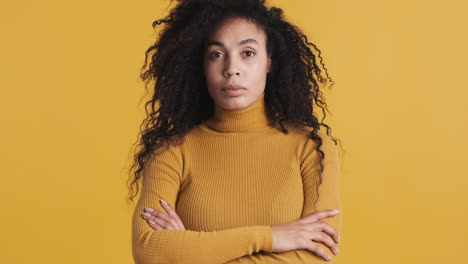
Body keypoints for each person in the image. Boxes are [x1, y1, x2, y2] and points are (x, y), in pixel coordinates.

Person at [127, 0, 343, 263]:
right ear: (201, 66)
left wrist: (192, 252)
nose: (231, 69)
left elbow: (315, 257)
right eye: (216, 54)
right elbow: (149, 251)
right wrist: (272, 237)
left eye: (248, 53)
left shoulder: (311, 146)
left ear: (270, 62)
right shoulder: (171, 152)